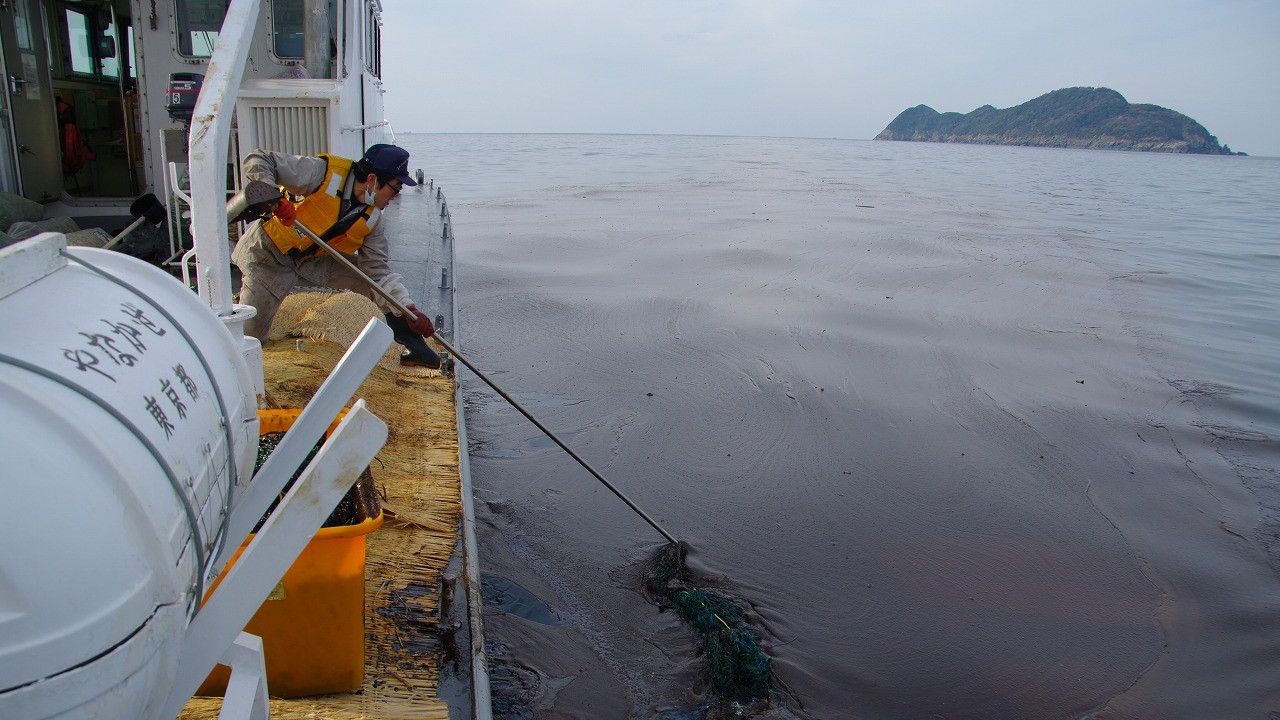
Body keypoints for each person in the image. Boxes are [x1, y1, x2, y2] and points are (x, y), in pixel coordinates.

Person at [232, 143, 440, 368]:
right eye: (396, 188)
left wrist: (408, 309)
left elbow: (378, 272)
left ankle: (413, 345)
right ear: (372, 180)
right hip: (268, 256)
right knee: (250, 339)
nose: (396, 196)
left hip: (311, 261)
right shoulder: (320, 173)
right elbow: (259, 159)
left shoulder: (374, 220)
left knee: (372, 283)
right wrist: (274, 198)